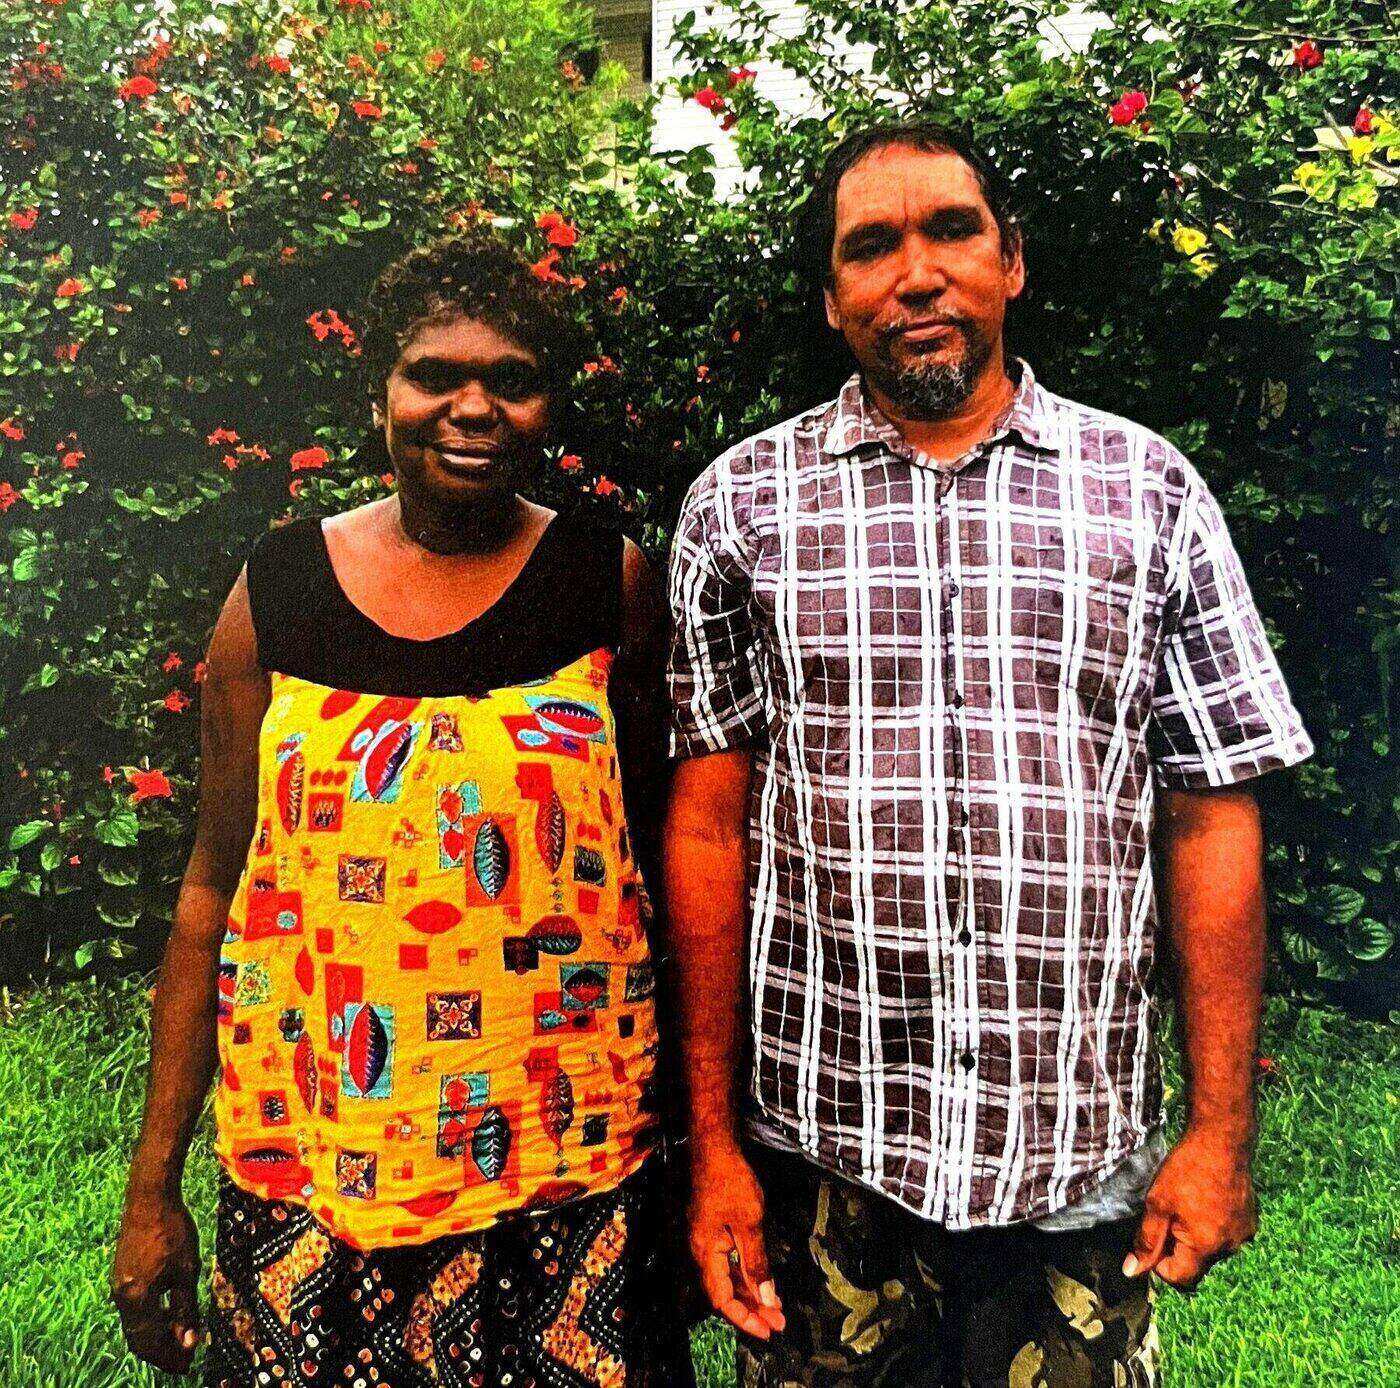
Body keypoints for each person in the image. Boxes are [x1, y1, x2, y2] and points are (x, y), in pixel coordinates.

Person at [663, 122, 1313, 1386]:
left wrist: (1220, 1130)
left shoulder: (1148, 490)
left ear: (1009, 261)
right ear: (832, 296)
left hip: (1074, 1144)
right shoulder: (738, 505)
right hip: (824, 1148)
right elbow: (706, 827)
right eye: (871, 246)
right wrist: (714, 1146)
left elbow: (1210, 817)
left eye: (950, 231)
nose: (915, 273)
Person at [111, 230, 693, 1387]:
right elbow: (205, 892)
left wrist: (698, 1149)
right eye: (436, 374)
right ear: (380, 391)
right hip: (322, 1163)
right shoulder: (278, 591)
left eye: (511, 379)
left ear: (547, 405)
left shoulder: (605, 583)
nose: (472, 406)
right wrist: (151, 1186)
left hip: (563, 1168)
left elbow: (661, 876)